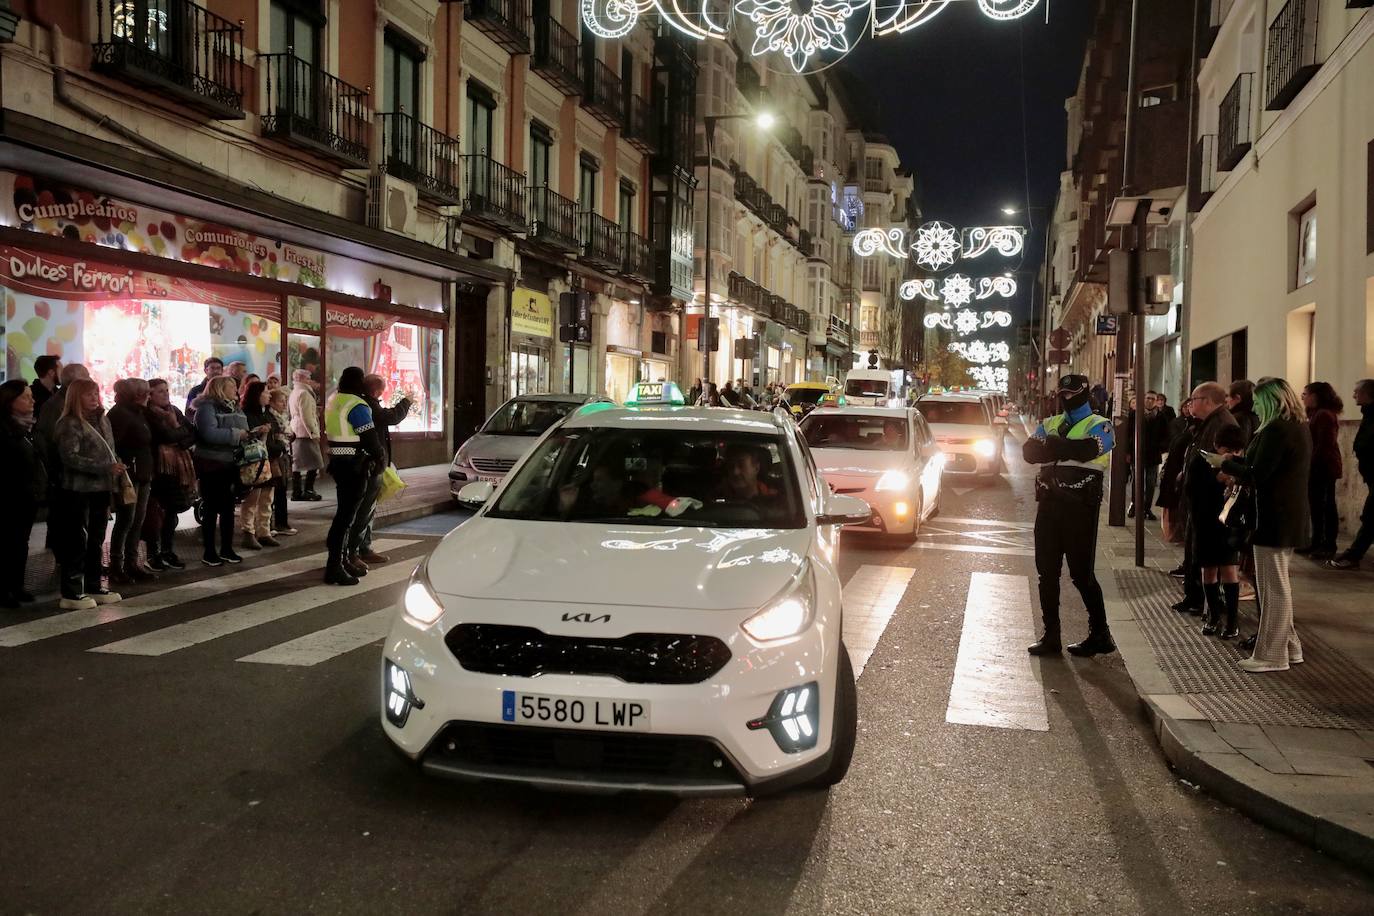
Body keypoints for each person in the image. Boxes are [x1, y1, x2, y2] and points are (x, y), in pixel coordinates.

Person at [1205, 378, 1312, 672]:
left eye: (1259, 401)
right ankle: (1291, 647)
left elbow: (1257, 474)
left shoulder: (1277, 429)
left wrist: (1224, 463)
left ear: (1272, 401)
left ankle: (1271, 655)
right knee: (1278, 585)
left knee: (1272, 588)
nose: (1255, 406)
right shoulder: (1298, 426)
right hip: (1286, 515)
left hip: (1274, 517)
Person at [1022, 374, 1116, 657]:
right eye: (1062, 392)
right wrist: (1056, 445)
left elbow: (1087, 450)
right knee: (1046, 573)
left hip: (1080, 509)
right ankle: (1051, 636)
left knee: (1081, 574)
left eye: (1072, 392)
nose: (1066, 397)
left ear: (1086, 393)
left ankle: (1100, 634)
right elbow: (1029, 452)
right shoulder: (1051, 422)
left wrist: (1053, 445)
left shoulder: (1102, 425)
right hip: (1049, 507)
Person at [52, 378, 123, 609]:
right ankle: (71, 591)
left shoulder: (103, 419)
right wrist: (104, 467)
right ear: (76, 397)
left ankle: (94, 584)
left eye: (96, 393)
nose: (94, 398)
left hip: (102, 488)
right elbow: (69, 457)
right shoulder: (69, 424)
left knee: (97, 537)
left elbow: (110, 450)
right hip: (78, 490)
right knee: (76, 539)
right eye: (88, 394)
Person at [1176, 383, 1239, 616]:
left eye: (1195, 398)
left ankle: (1210, 606)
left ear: (1208, 401)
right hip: (1199, 499)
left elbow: (1221, 461)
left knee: (1210, 556)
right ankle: (1194, 597)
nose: (1191, 403)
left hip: (1210, 501)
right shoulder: (1208, 422)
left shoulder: (1222, 423)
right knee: (1197, 551)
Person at [323, 367, 385, 585]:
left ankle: (340, 561)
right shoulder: (356, 404)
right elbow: (369, 436)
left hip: (338, 463)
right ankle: (334, 567)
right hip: (354, 465)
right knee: (346, 517)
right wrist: (380, 457)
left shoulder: (335, 399)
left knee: (343, 515)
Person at [350, 374, 411, 566]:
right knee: (364, 509)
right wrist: (406, 402)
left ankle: (363, 547)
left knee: (367, 508)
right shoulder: (367, 406)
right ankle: (356, 550)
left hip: (367, 463)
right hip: (369, 464)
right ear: (377, 391)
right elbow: (390, 417)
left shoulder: (362, 403)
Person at [193, 376, 250, 567]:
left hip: (231, 464)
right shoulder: (207, 408)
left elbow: (244, 429)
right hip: (212, 464)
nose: (236, 388)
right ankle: (209, 551)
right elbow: (208, 433)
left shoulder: (235, 406)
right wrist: (236, 435)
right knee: (211, 508)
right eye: (231, 385)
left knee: (227, 509)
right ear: (219, 388)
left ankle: (227, 548)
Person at [107, 378, 158, 584]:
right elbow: (114, 444)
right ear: (137, 394)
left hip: (143, 473)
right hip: (130, 475)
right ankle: (117, 565)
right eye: (146, 392)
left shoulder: (139, 412)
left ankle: (131, 562)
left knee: (137, 521)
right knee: (126, 521)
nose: (149, 396)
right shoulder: (120, 414)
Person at [144, 378, 195, 571]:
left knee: (172, 512)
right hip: (159, 469)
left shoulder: (174, 410)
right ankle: (153, 552)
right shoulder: (149, 414)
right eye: (160, 391)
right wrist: (177, 432)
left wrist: (179, 439)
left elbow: (191, 433)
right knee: (157, 514)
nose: (165, 394)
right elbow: (165, 436)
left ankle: (167, 549)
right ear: (150, 395)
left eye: (166, 390)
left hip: (177, 467)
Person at [0, 380, 44, 607]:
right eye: (26, 397)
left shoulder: (27, 428)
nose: (32, 400)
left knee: (20, 542)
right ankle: (4, 589)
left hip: (26, 496)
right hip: (9, 497)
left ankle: (16, 586)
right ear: (10, 401)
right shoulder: (5, 430)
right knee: (7, 543)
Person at [1328, 379, 1374, 570]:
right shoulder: (1369, 414)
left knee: (1371, 516)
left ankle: (1354, 554)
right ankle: (1354, 554)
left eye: (1357, 392)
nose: (1354, 395)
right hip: (1371, 476)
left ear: (1368, 394)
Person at [1301, 381, 1343, 559]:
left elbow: (1324, 444)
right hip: (1318, 466)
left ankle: (1327, 544)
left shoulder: (1324, 415)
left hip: (1323, 467)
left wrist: (1309, 465)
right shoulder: (1316, 413)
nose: (1302, 397)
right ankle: (1316, 541)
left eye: (1305, 394)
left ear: (1316, 396)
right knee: (1316, 506)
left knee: (1326, 506)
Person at [239, 380, 282, 551]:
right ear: (257, 395)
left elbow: (276, 431)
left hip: (270, 460)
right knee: (252, 498)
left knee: (267, 497)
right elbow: (249, 438)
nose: (269, 394)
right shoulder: (246, 414)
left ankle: (264, 531)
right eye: (265, 392)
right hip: (254, 462)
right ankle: (248, 532)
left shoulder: (267, 413)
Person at [289, 369, 324, 501]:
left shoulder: (295, 392)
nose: (310, 381)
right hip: (305, 433)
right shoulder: (304, 393)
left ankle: (297, 491)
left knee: (297, 463)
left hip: (297, 430)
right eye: (308, 378)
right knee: (315, 462)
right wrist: (314, 433)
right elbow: (307, 416)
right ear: (303, 379)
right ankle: (308, 490)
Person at [267, 387, 297, 537]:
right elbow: (275, 437)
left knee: (281, 490)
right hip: (275, 456)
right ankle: (271, 524)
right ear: (271, 403)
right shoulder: (270, 417)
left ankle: (281, 522)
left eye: (285, 401)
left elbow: (288, 434)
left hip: (284, 454)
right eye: (280, 401)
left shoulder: (283, 416)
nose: (284, 404)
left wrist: (290, 436)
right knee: (274, 490)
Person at [1227, 380, 1259, 445]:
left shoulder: (1237, 419)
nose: (1226, 400)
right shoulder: (1258, 417)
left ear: (1237, 398)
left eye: (1228, 396)